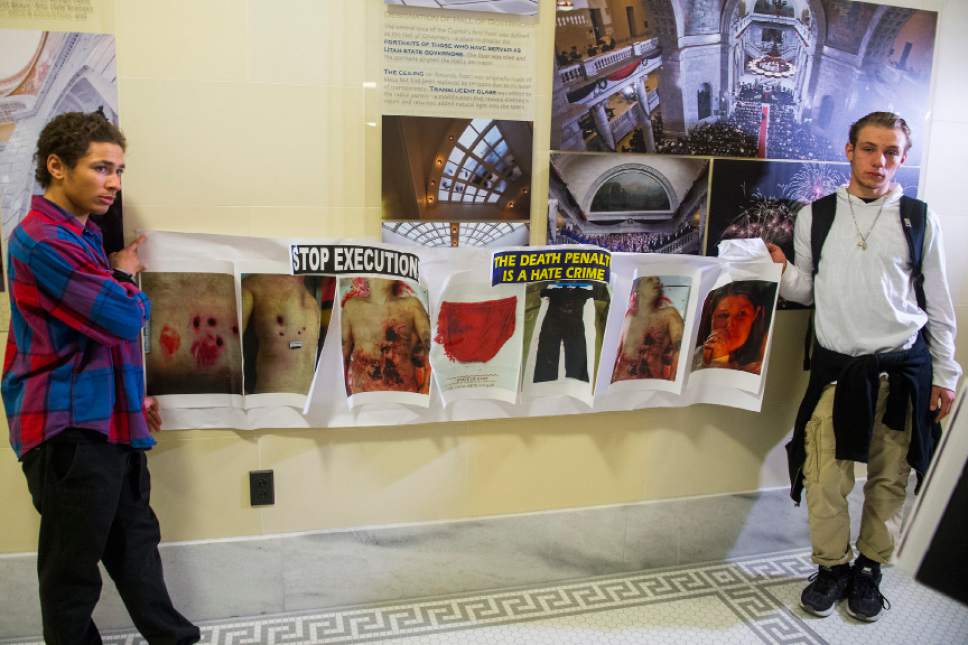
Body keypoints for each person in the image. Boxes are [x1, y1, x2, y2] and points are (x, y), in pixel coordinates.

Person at [2, 111, 200, 644]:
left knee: (137, 548)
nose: (114, 182)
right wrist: (123, 274)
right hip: (70, 431)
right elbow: (121, 317)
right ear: (57, 167)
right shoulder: (42, 241)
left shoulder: (81, 235)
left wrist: (134, 399)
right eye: (101, 168)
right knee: (71, 574)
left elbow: (100, 338)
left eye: (119, 170)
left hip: (107, 425)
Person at [767, 111, 960, 622]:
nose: (879, 161)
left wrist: (947, 374)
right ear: (849, 150)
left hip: (902, 371)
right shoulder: (818, 215)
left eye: (891, 152)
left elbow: (938, 304)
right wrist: (778, 271)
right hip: (838, 369)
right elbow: (807, 289)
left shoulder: (918, 218)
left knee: (890, 477)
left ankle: (870, 568)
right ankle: (832, 567)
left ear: (902, 157)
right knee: (825, 476)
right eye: (870, 148)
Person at [341, 277, 431, 394]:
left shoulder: (411, 305)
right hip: (363, 396)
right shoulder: (352, 307)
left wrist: (427, 387)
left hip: (406, 394)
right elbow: (342, 356)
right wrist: (344, 394)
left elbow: (432, 348)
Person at [241, 274, 323, 394]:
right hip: (268, 406)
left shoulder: (312, 301)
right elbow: (226, 351)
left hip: (306, 406)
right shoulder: (254, 285)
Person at [612, 276, 684, 381]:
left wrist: (672, 384)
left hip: (648, 387)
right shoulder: (627, 318)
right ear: (638, 289)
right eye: (650, 279)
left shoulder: (669, 315)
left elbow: (681, 349)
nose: (657, 282)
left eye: (658, 280)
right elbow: (615, 354)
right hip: (618, 384)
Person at [692, 281, 772, 374]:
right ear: (712, 314)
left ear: (756, 314)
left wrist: (719, 361)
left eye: (742, 314)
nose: (730, 325)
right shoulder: (694, 356)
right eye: (723, 315)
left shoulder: (761, 366)